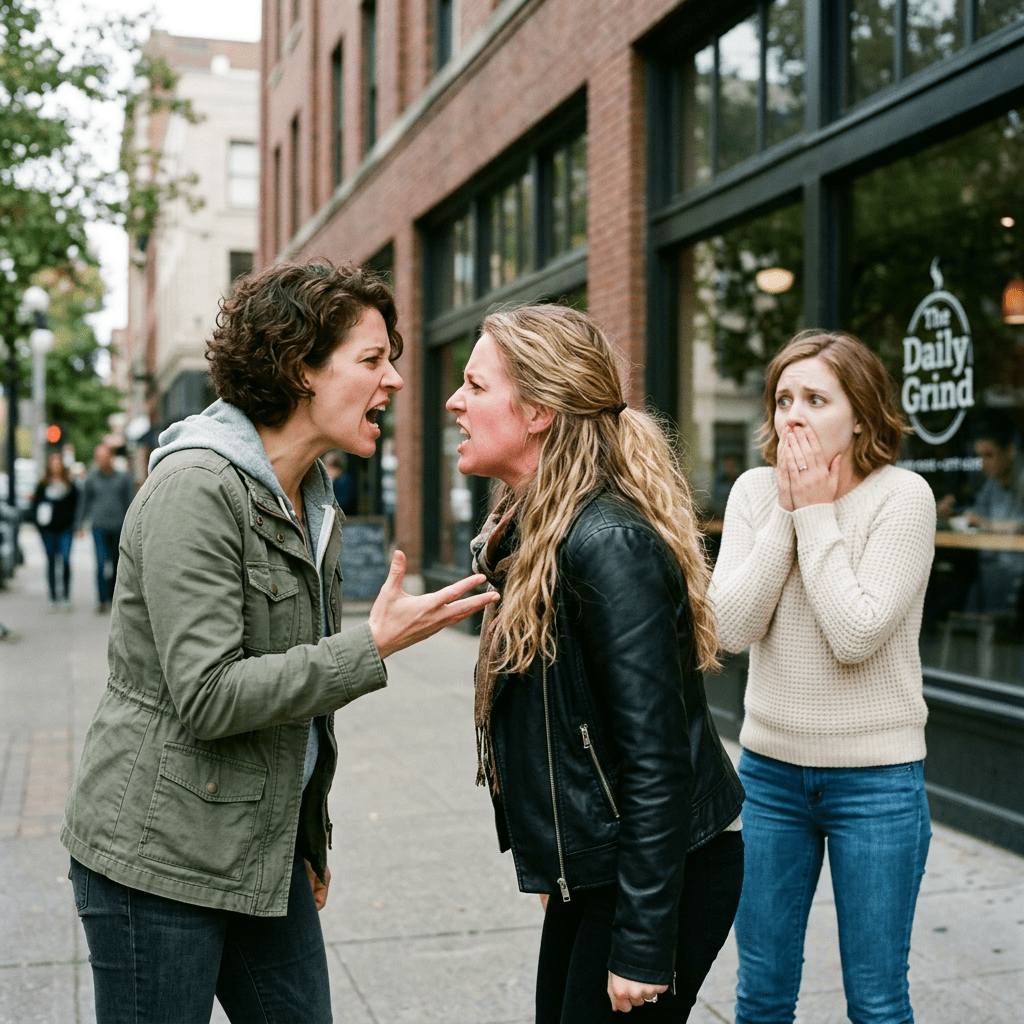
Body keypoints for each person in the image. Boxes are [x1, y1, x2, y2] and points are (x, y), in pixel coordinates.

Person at [60, 260, 498, 1024]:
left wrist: (305, 835)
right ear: (299, 368)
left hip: (260, 850)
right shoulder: (198, 489)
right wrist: (374, 646)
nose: (394, 380)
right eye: (371, 360)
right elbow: (211, 695)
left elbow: (296, 711)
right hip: (156, 861)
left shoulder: (307, 494)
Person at [445, 305, 744, 1022]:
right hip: (601, 866)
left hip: (663, 872)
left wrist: (643, 942)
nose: (455, 401)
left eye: (475, 386)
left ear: (540, 411)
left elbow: (656, 760)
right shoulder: (533, 536)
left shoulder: (606, 544)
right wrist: (561, 860)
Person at [710, 330, 935, 1024]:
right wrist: (787, 509)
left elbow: (856, 634)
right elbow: (727, 629)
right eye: (783, 399)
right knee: (762, 993)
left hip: (877, 783)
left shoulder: (904, 497)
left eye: (816, 399)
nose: (793, 416)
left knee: (876, 999)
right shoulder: (753, 493)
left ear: (861, 414)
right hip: (770, 776)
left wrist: (814, 510)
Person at [79, 441, 135, 612]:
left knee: (118, 563)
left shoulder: (124, 477)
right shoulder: (91, 478)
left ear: (111, 458)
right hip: (99, 526)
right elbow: (85, 502)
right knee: (101, 562)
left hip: (118, 526)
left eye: (104, 457)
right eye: (98, 457)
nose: (101, 460)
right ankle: (102, 600)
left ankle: (113, 596)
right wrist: (80, 524)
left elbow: (131, 502)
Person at [30, 450, 80, 609]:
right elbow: (35, 506)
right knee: (51, 561)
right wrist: (38, 525)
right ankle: (53, 595)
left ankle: (65, 595)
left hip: (65, 528)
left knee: (65, 560)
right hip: (48, 529)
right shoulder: (43, 484)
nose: (56, 466)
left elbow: (76, 505)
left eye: (58, 462)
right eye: (53, 462)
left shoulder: (70, 485)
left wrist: (75, 525)